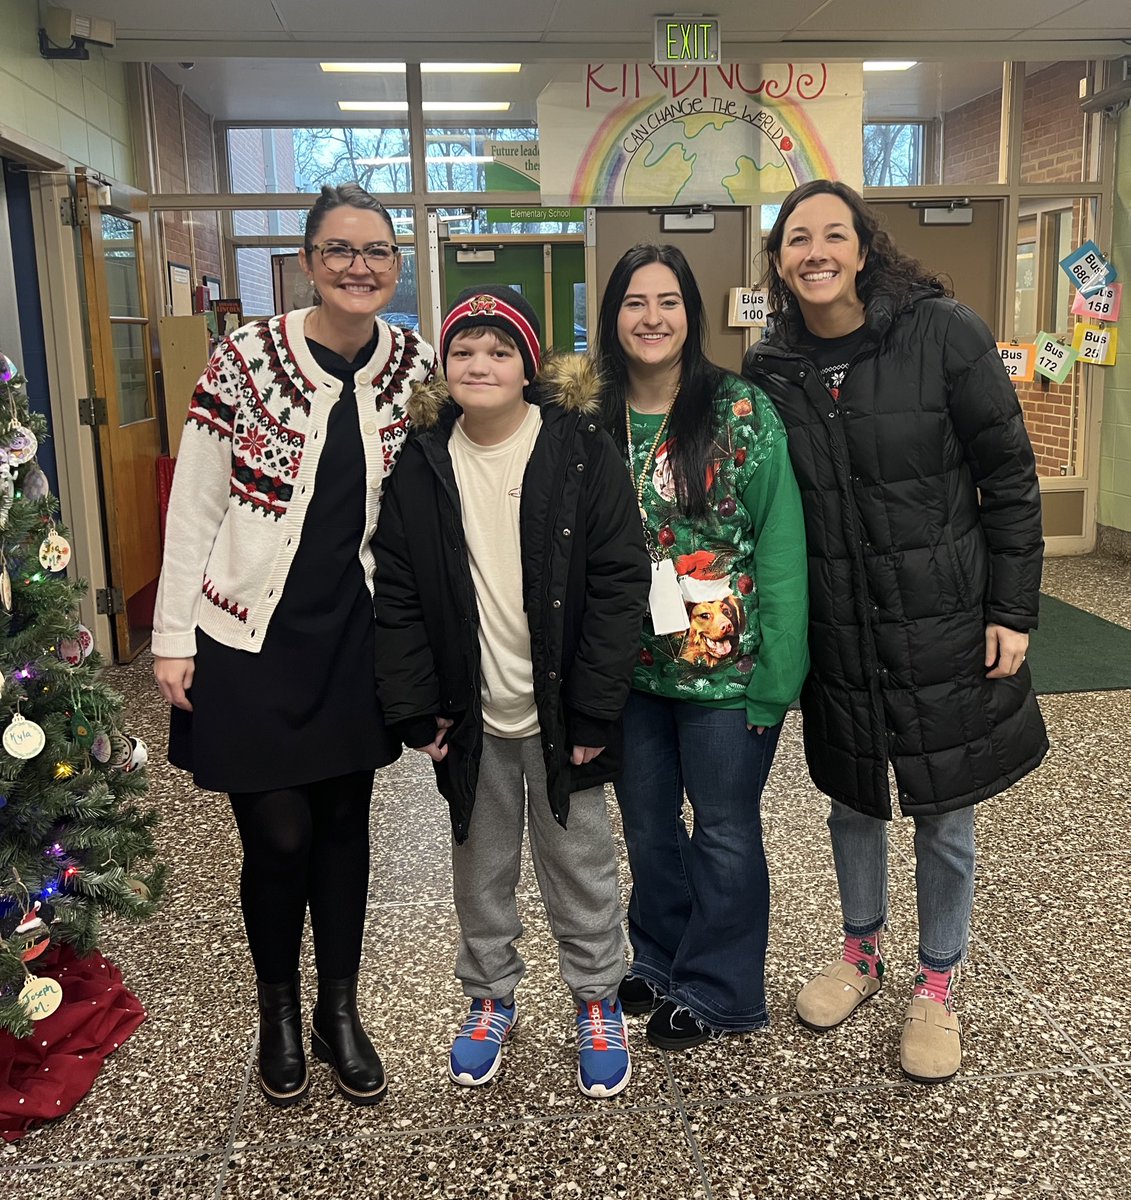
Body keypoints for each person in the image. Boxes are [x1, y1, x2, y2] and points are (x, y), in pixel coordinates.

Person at [743, 179, 1048, 1084]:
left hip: (942, 615)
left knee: (944, 804)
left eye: (832, 235)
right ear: (778, 260)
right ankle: (861, 952)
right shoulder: (771, 368)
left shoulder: (942, 331)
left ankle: (937, 982)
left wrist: (1012, 610)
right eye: (797, 239)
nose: (815, 253)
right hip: (838, 623)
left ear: (863, 248)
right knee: (852, 796)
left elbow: (1011, 475)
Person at [153, 183, 436, 1107]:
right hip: (245, 631)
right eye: (340, 250)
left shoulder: (414, 365)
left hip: (356, 637)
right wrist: (171, 634)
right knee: (277, 835)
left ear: (396, 265)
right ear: (309, 260)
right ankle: (277, 1009)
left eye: (378, 252)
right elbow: (195, 500)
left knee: (345, 829)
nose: (360, 267)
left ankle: (337, 1011)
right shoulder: (243, 358)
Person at [372, 286, 650, 1098]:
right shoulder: (422, 459)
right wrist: (415, 707)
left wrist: (598, 706)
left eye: (499, 351)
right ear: (443, 366)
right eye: (463, 351)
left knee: (581, 863)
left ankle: (596, 999)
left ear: (528, 365)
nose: (480, 364)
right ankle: (489, 996)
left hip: (563, 715)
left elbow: (617, 579)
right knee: (479, 865)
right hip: (472, 716)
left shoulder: (577, 448)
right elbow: (398, 590)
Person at [593, 244, 810, 1050]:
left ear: (691, 313)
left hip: (728, 671)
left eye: (668, 302)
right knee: (646, 828)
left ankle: (721, 987)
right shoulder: (587, 416)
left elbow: (780, 542)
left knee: (720, 828)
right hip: (627, 671)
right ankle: (659, 958)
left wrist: (780, 671)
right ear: (611, 317)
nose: (651, 318)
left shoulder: (740, 412)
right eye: (633, 302)